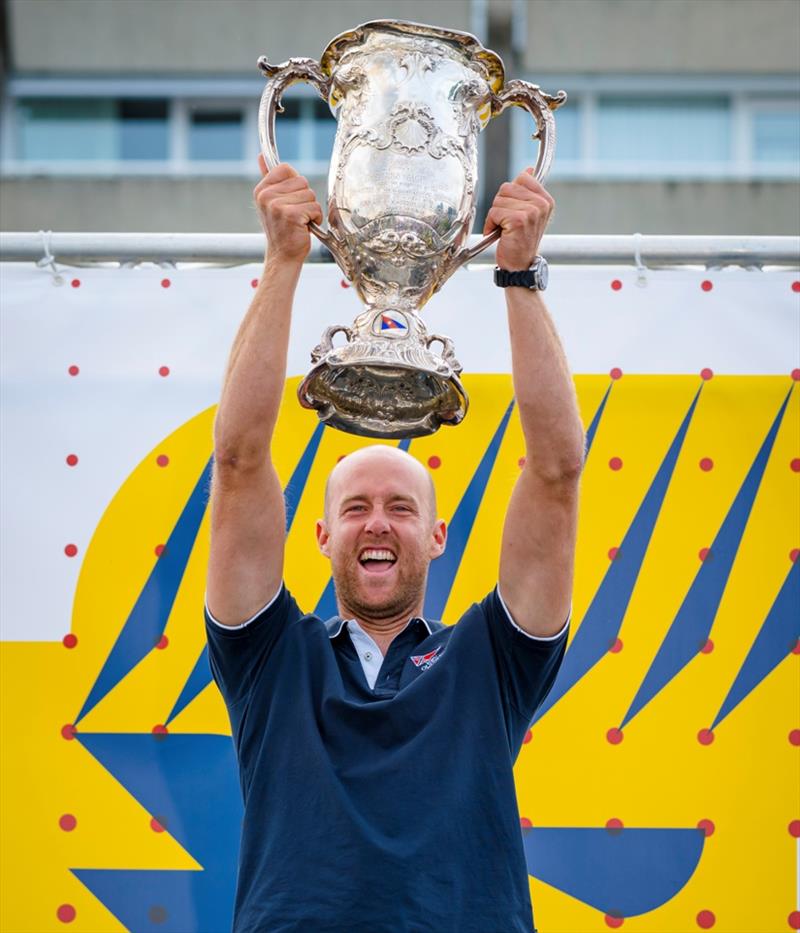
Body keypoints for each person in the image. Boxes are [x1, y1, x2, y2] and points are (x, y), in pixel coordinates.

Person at [205, 155, 585, 933]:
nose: (377, 522)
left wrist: (518, 276)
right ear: (320, 536)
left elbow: (557, 470)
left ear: (438, 535)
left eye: (401, 507)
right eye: (356, 508)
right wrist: (283, 263)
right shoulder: (272, 661)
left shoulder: (490, 662)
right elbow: (239, 461)